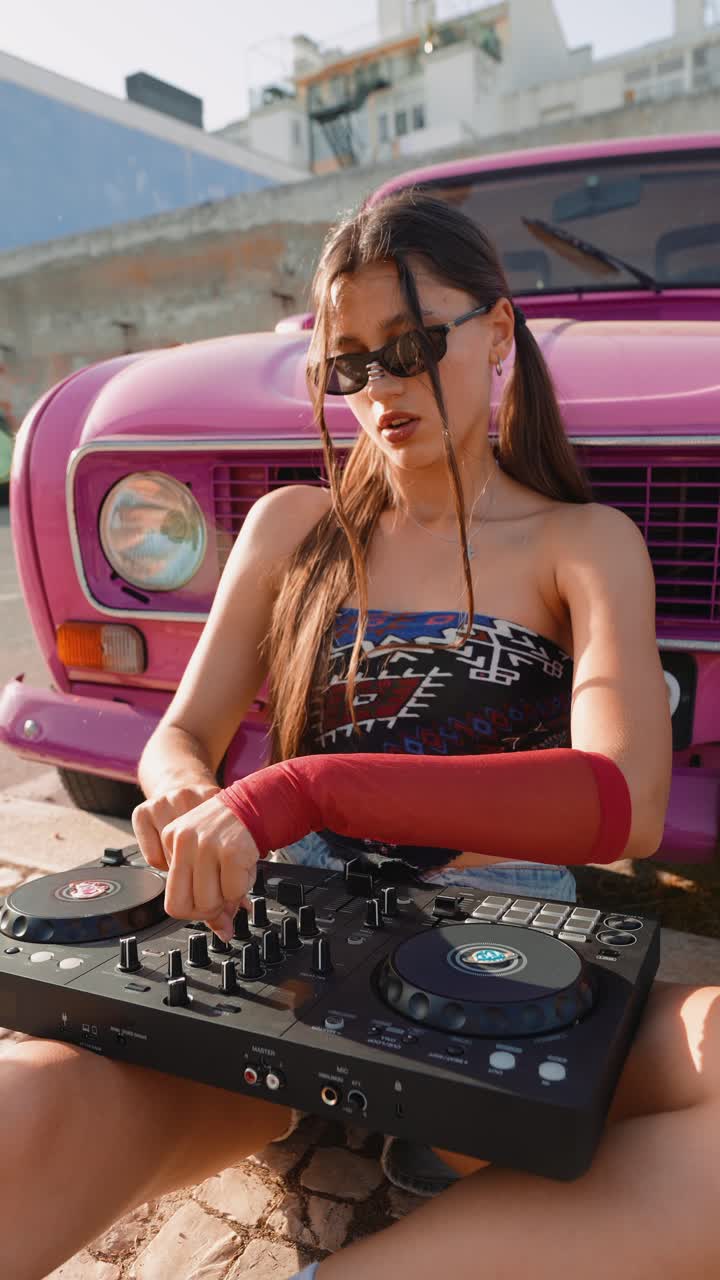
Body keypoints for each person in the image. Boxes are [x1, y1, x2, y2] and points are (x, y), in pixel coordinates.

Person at [1, 191, 718, 1280]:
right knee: (36, 1104)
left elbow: (623, 800)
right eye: (350, 365)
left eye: (412, 346)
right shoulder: (295, 525)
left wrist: (306, 786)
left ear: (497, 331)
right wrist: (193, 791)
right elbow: (179, 732)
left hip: (512, 985)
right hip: (285, 956)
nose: (380, 388)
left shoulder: (584, 540)